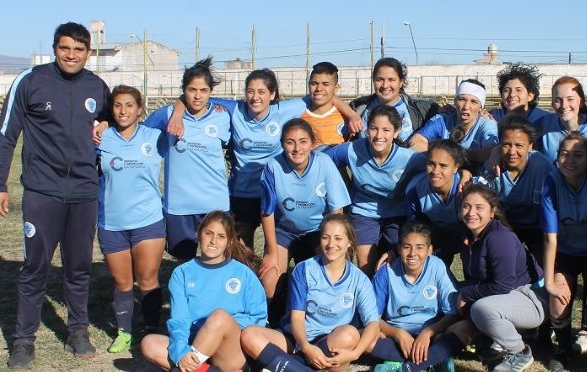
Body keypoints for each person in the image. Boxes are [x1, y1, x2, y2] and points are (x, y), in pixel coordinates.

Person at [0, 22, 110, 369]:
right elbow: (5, 135)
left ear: (89, 53)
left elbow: (117, 120)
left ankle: (77, 332)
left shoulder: (97, 87)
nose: (71, 55)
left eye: (79, 49)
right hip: (42, 192)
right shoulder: (30, 80)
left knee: (79, 267)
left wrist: (105, 125)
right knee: (35, 268)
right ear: (54, 49)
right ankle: (23, 340)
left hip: (85, 193)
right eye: (65, 48)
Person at [167, 68, 359, 247]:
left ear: (272, 94)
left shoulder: (284, 110)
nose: (255, 97)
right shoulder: (235, 110)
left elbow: (322, 95)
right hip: (242, 193)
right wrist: (176, 114)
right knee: (242, 248)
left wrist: (352, 115)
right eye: (250, 91)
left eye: (261, 92)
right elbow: (193, 96)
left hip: (276, 191)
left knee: (274, 245)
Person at [127, 211, 267, 372]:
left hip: (229, 352)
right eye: (208, 233)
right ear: (198, 234)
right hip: (194, 348)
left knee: (219, 317)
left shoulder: (243, 273)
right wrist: (181, 351)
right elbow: (179, 319)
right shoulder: (181, 273)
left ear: (230, 242)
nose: (213, 241)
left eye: (221, 236)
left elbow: (258, 318)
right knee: (149, 343)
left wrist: (218, 327)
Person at [240, 214, 381, 372]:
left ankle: (283, 364)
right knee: (249, 335)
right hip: (296, 339)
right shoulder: (304, 269)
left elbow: (373, 324)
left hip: (330, 341)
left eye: (338, 238)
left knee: (350, 335)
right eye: (325, 237)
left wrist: (354, 354)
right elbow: (297, 317)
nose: (331, 244)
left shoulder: (359, 279)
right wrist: (306, 347)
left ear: (349, 243)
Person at [259, 118, 351, 326]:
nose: (297, 148)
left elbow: (337, 212)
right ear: (282, 143)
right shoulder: (273, 166)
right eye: (290, 142)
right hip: (284, 231)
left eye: (303, 141)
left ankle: (321, 322)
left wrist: (332, 245)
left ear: (312, 143)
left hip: (318, 232)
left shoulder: (324, 163)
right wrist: (272, 252)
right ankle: (273, 324)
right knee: (270, 279)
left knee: (326, 275)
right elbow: (267, 213)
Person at [96, 85, 166, 352]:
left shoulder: (154, 135)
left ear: (139, 109)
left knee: (148, 279)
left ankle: (150, 330)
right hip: (111, 223)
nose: (123, 111)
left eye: (129, 105)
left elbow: (177, 109)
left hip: (148, 220)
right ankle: (124, 332)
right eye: (117, 105)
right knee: (122, 282)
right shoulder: (101, 139)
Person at [142, 58, 231, 263]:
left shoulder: (223, 115)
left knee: (216, 259)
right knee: (184, 262)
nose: (198, 96)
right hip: (180, 206)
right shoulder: (166, 115)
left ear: (211, 91)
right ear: (183, 90)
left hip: (214, 204)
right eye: (192, 90)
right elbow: (137, 134)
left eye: (203, 90)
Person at [540, 132, 587, 372]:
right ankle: (562, 350)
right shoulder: (551, 181)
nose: (569, 160)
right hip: (567, 251)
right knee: (559, 296)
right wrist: (550, 282)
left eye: (577, 155)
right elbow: (550, 237)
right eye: (564, 154)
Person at [324, 105, 427, 275]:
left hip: (398, 214)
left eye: (386, 130)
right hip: (363, 211)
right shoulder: (352, 150)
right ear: (366, 130)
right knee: (366, 266)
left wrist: (465, 172)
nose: (379, 136)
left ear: (396, 132)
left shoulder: (409, 158)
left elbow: (437, 169)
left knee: (396, 264)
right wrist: (341, 185)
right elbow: (322, 161)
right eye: (373, 129)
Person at [457, 183, 546, 372]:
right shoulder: (469, 235)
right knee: (451, 293)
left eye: (479, 207)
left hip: (531, 298)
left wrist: (466, 293)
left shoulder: (498, 237)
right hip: (509, 296)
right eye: (466, 206)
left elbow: (502, 285)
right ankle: (485, 338)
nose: (471, 212)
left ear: (492, 211)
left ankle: (520, 352)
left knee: (481, 309)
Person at [368, 222, 473, 372]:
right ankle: (434, 359)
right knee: (366, 336)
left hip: (432, 335)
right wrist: (397, 333)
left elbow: (452, 313)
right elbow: (373, 317)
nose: (412, 253)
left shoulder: (437, 267)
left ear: (429, 250)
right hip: (396, 337)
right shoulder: (386, 271)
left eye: (419, 247)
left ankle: (404, 368)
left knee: (466, 328)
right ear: (398, 248)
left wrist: (428, 332)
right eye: (407, 247)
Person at [485, 116, 554, 264]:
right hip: (506, 225)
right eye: (506, 144)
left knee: (542, 261)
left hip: (537, 226)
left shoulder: (542, 167)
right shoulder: (492, 168)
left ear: (530, 146)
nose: (512, 151)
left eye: (519, 145)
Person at [408, 79, 498, 168]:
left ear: (481, 107)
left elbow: (490, 152)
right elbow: (415, 142)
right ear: (455, 101)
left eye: (473, 102)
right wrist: (447, 156)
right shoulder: (443, 119)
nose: (466, 107)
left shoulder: (487, 124)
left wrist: (451, 154)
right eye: (462, 99)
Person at [406, 139, 468, 266]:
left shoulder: (468, 188)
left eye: (443, 165)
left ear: (456, 167)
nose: (435, 171)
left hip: (468, 234)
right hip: (438, 234)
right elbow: (417, 229)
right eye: (431, 164)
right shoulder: (415, 191)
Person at [350, 57, 439, 145]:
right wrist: (350, 114)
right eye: (380, 79)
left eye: (391, 80)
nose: (385, 85)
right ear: (373, 81)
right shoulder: (358, 107)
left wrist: (447, 109)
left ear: (401, 82)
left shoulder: (424, 110)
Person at [538, 76, 587, 164]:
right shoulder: (544, 124)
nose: (564, 106)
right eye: (557, 100)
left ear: (581, 102)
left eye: (570, 99)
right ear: (552, 103)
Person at [300, 62, 348, 148]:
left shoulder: (346, 117)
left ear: (336, 88)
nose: (319, 89)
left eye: (325, 84)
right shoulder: (298, 115)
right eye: (314, 83)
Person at [489, 63, 549, 128]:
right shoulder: (492, 116)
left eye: (518, 90)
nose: (512, 95)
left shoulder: (544, 119)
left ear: (530, 96)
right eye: (507, 90)